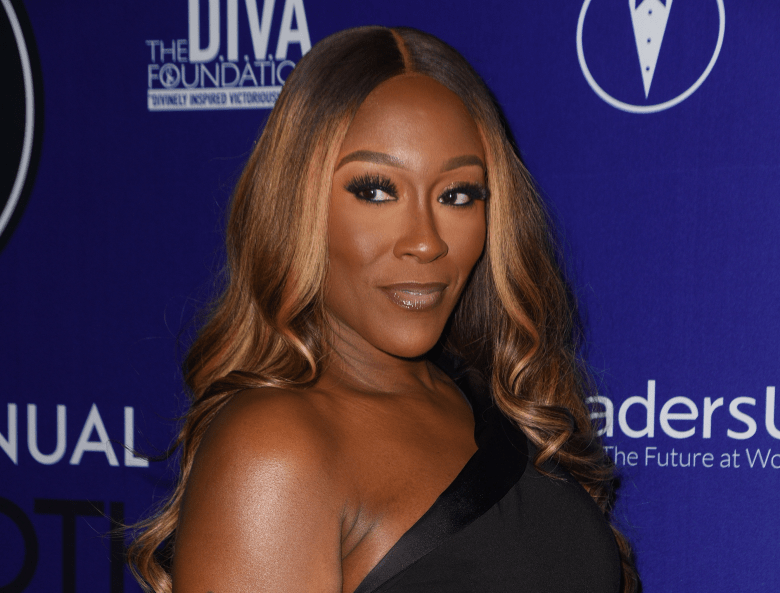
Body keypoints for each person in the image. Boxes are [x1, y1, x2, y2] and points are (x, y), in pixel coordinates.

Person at [128, 26, 638, 593]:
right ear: (298, 206)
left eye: (457, 195)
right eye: (375, 191)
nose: (425, 241)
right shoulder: (275, 447)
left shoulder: (497, 400)